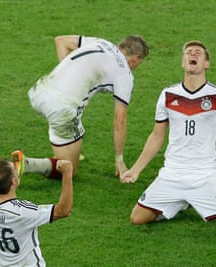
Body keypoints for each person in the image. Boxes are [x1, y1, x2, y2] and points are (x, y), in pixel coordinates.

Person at [121, 40, 216, 233]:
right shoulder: (168, 94)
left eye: (199, 53)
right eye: (189, 52)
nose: (193, 54)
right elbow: (157, 136)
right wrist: (135, 170)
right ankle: (181, 203)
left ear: (206, 64)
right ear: (183, 63)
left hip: (205, 175)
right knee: (137, 218)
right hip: (172, 173)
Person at [12, 34, 149, 180]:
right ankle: (25, 164)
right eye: (138, 63)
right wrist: (119, 160)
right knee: (68, 169)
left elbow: (61, 41)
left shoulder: (101, 42)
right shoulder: (125, 75)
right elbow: (119, 122)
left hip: (39, 91)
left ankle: (67, 148)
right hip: (61, 108)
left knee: (73, 133)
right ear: (135, 57)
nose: (135, 67)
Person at [0, 137, 74, 266]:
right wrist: (67, 173)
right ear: (13, 181)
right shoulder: (23, 212)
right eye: (14, 170)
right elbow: (63, 211)